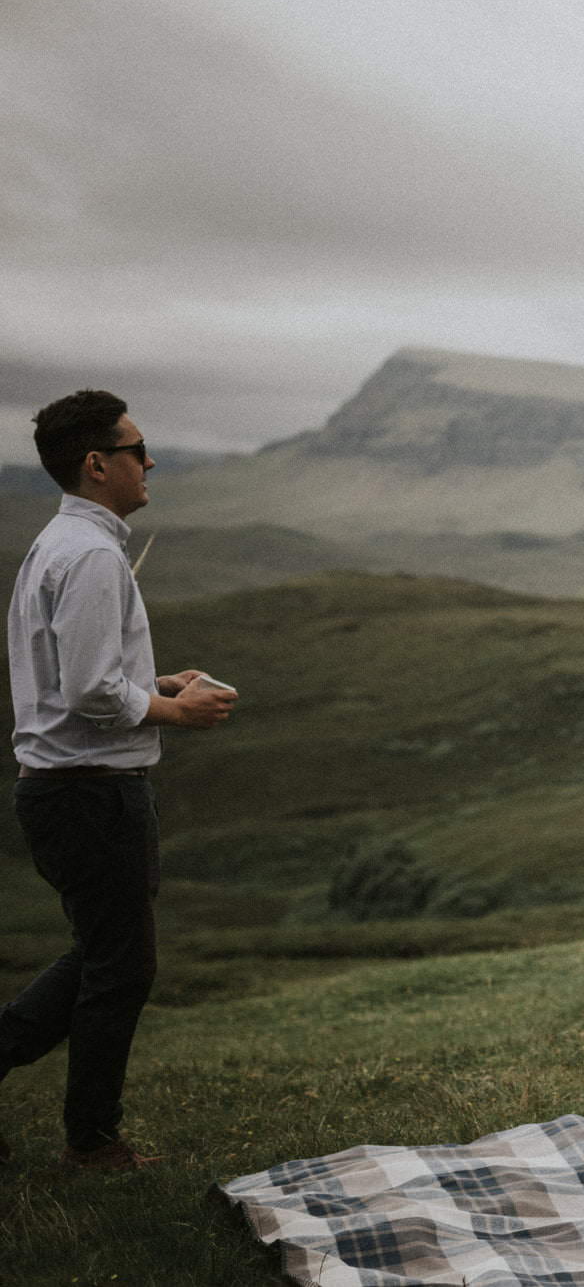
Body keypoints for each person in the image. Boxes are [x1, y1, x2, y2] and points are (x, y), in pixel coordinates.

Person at [2, 390, 237, 1171]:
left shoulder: (59, 544)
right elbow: (92, 693)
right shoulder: (95, 554)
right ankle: (93, 1143)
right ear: (97, 463)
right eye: (139, 451)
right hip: (90, 789)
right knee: (121, 965)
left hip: (69, 785)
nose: (150, 465)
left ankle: (84, 1130)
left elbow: (87, 673)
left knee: (108, 953)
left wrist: (158, 679)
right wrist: (180, 712)